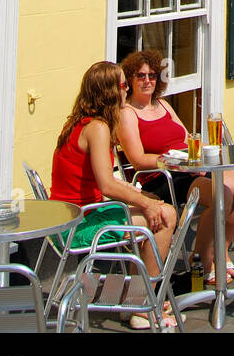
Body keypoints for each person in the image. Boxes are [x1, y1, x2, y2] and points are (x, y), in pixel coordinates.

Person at [118, 49, 234, 287]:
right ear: (130, 80)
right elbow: (137, 159)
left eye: (152, 75)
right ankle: (203, 261)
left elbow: (186, 138)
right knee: (222, 194)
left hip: (189, 167)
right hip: (163, 177)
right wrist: (176, 162)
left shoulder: (163, 105)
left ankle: (220, 249)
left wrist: (204, 152)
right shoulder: (127, 113)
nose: (147, 81)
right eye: (140, 76)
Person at [51, 60, 179, 329]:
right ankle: (142, 305)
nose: (126, 90)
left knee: (154, 206)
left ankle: (136, 297)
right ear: (110, 92)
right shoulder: (96, 128)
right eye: (123, 85)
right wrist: (144, 202)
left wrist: (144, 201)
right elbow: (107, 185)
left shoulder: (79, 122)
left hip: (70, 214)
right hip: (80, 223)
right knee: (166, 216)